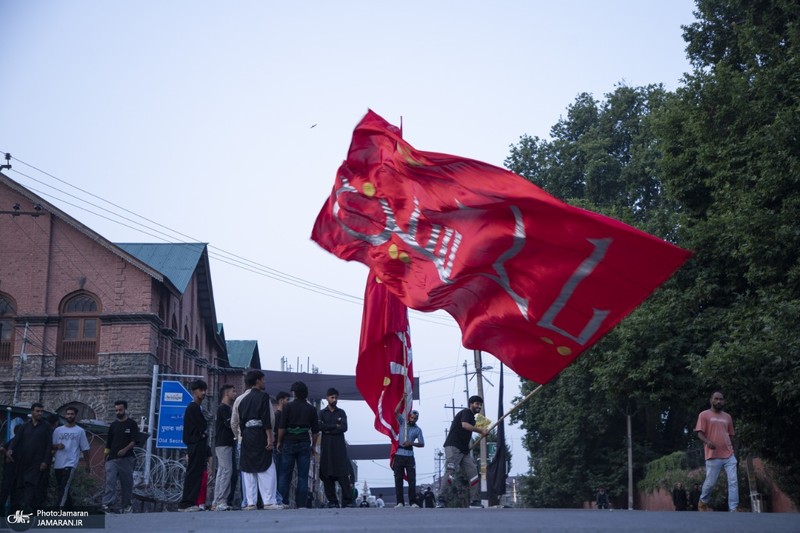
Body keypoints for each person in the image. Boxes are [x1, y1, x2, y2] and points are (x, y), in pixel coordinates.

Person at [238, 370, 282, 511]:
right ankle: (268, 501)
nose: (264, 382)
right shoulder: (263, 397)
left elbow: (240, 422)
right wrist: (270, 438)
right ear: (257, 381)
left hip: (246, 435)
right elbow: (266, 419)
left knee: (249, 468)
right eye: (263, 380)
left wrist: (244, 435)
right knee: (267, 467)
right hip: (260, 434)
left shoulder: (242, 400)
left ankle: (251, 502)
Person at [437, 395, 488, 509]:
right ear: (471, 404)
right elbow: (464, 425)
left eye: (480, 404)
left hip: (464, 450)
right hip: (453, 447)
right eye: (476, 404)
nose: (478, 406)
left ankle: (474, 501)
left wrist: (484, 431)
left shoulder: (473, 418)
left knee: (473, 472)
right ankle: (441, 499)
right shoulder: (466, 412)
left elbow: (477, 427)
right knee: (450, 472)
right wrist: (481, 431)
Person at [277, 381, 319, 509]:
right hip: (304, 442)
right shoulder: (311, 409)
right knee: (303, 475)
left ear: (294, 393)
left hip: (288, 442)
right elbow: (315, 431)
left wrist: (279, 441)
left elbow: (282, 427)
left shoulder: (288, 407)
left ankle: (282, 502)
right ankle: (301, 504)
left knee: (284, 474)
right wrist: (313, 446)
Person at [695, 391, 739, 512]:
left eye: (721, 399)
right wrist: (707, 442)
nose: (719, 401)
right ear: (711, 400)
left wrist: (731, 448)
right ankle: (703, 501)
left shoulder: (727, 417)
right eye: (716, 399)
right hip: (713, 455)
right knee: (710, 483)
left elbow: (730, 435)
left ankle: (733, 508)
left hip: (729, 454)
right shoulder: (704, 415)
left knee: (733, 480)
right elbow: (700, 433)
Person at [7, 403, 53, 512]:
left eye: (41, 411)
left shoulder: (46, 426)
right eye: (37, 411)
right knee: (21, 484)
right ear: (32, 412)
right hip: (23, 461)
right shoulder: (25, 426)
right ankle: (24, 508)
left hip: (37, 462)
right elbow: (16, 440)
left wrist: (45, 461)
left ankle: (26, 506)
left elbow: (48, 445)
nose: (40, 413)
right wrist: (10, 450)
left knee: (30, 483)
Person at [319, 387, 355, 508]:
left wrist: (328, 428)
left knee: (343, 474)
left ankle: (348, 500)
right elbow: (320, 426)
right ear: (327, 398)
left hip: (339, 448)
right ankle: (332, 501)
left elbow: (344, 428)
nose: (334, 400)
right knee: (326, 475)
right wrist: (335, 426)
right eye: (332, 397)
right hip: (326, 448)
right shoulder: (322, 413)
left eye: (336, 398)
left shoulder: (341, 412)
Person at [102, 400, 138, 514]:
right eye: (116, 410)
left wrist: (125, 449)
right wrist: (105, 458)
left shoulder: (131, 424)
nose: (118, 412)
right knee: (110, 482)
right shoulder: (113, 425)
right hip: (112, 459)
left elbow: (134, 441)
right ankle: (107, 504)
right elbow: (109, 443)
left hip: (127, 459)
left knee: (126, 483)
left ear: (125, 409)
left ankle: (126, 505)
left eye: (120, 410)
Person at [52, 406, 91, 509]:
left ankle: (57, 511)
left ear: (75, 415)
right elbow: (51, 445)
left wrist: (88, 464)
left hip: (70, 463)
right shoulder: (58, 430)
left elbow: (85, 449)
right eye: (68, 414)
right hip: (58, 463)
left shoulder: (80, 431)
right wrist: (57, 446)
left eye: (72, 414)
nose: (69, 416)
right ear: (65, 415)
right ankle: (70, 509)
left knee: (64, 487)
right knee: (62, 488)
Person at [179, 380, 209, 512]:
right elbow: (202, 427)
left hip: (197, 445)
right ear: (194, 391)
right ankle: (187, 503)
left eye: (204, 390)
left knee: (197, 474)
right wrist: (202, 435)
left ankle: (192, 502)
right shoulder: (193, 408)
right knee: (193, 474)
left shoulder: (196, 408)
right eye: (200, 390)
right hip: (195, 445)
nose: (203, 393)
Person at [213, 384, 237, 511]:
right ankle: (221, 500)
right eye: (233, 391)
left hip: (224, 443)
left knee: (222, 471)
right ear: (226, 393)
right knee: (227, 471)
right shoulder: (224, 409)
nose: (235, 393)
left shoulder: (225, 408)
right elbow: (230, 424)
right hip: (224, 444)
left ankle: (217, 500)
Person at [393, 410, 424, 508]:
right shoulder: (402, 423)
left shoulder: (418, 430)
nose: (413, 419)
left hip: (409, 456)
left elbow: (422, 443)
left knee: (412, 480)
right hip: (399, 454)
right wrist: (402, 399)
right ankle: (400, 502)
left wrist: (410, 443)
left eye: (415, 418)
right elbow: (396, 412)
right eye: (411, 417)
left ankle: (413, 502)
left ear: (417, 419)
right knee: (398, 479)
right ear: (409, 416)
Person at [272, 391, 290, 505]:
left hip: (281, 447)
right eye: (287, 400)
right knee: (280, 474)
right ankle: (279, 499)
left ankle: (280, 498)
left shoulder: (281, 415)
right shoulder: (278, 415)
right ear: (281, 400)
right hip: (279, 448)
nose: (288, 402)